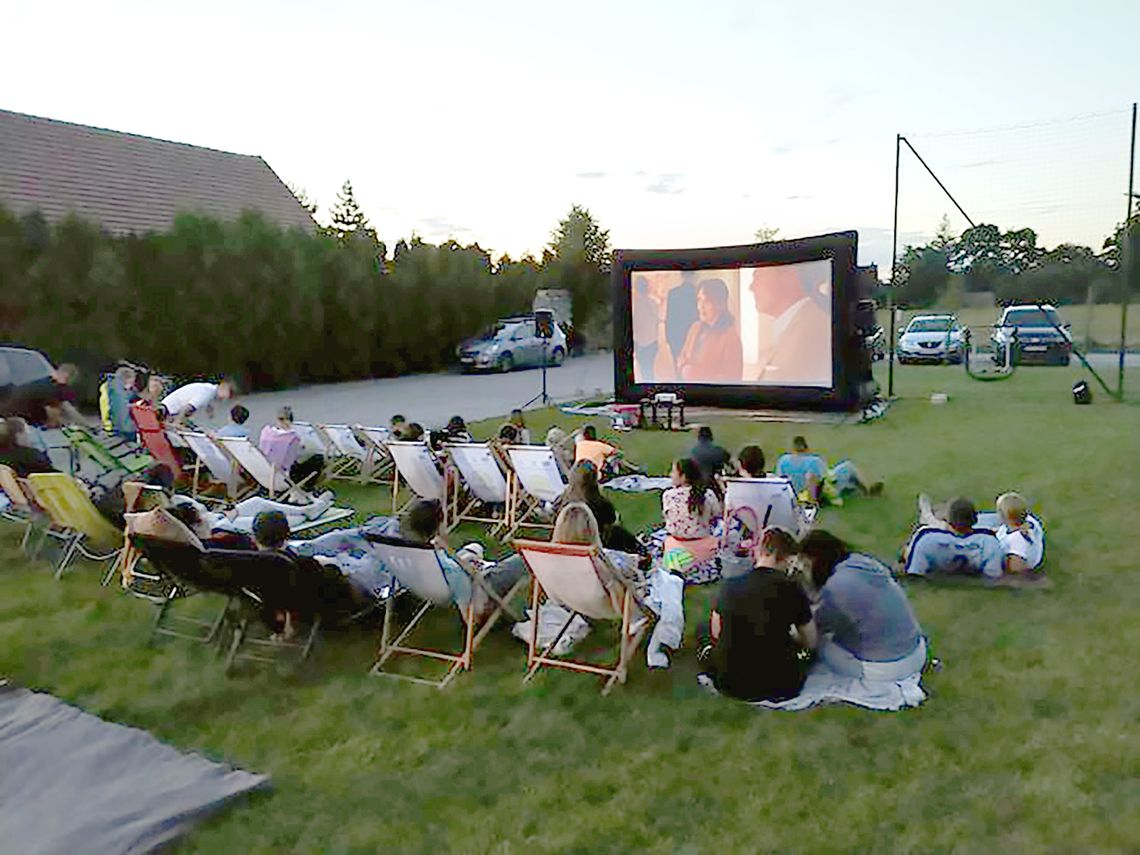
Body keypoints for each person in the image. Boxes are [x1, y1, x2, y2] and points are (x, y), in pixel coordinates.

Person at [700, 528, 816, 702]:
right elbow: (811, 641)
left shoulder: (730, 585)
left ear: (759, 551)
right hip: (782, 685)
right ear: (786, 557)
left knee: (702, 630)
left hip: (729, 683)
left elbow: (716, 633)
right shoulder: (792, 588)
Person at [800, 530, 926, 680]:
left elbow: (814, 628)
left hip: (890, 668)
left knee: (820, 642)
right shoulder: (863, 562)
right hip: (917, 652)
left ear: (815, 560)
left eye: (806, 566)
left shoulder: (837, 587)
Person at [399, 498, 526, 622]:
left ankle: (478, 564)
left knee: (474, 547)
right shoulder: (452, 570)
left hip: (462, 576)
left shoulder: (416, 554)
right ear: (439, 526)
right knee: (523, 559)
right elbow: (472, 615)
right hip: (482, 587)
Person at [747, 263, 832, 385]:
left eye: (758, 276)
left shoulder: (813, 331)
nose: (751, 287)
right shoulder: (798, 324)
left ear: (789, 275)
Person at [902, 496, 1004, 580]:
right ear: (974, 520)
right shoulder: (989, 542)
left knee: (908, 550)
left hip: (939, 554)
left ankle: (928, 515)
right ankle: (928, 516)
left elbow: (914, 572)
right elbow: (994, 575)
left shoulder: (926, 538)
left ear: (948, 520)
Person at [556, 461, 644, 556]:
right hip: (600, 544)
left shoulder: (561, 501)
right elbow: (612, 520)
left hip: (571, 545)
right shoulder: (599, 503)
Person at [661, 457, 723, 584]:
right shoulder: (707, 495)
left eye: (673, 472)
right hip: (705, 552)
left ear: (683, 477)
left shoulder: (668, 496)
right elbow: (717, 515)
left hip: (676, 552)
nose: (670, 475)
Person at [775, 436, 879, 505]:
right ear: (807, 448)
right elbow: (829, 479)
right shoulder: (814, 461)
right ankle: (868, 489)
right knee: (848, 466)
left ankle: (854, 485)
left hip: (792, 497)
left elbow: (780, 479)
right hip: (818, 496)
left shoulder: (783, 460)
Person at [676, 278, 743, 383]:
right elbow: (682, 356)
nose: (700, 307)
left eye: (706, 301)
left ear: (720, 304)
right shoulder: (695, 327)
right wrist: (684, 368)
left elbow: (733, 378)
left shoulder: (730, 337)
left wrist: (697, 374)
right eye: (699, 300)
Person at [259, 405, 324, 487]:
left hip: (265, 472)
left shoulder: (266, 433)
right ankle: (307, 487)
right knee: (317, 458)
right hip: (285, 475)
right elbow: (295, 458)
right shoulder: (292, 437)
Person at [994, 492, 1045, 577]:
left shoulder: (1016, 540)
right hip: (1032, 552)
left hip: (1025, 561)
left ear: (1002, 517)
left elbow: (1016, 567)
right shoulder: (1030, 521)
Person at [18, 363, 85, 427]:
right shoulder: (55, 388)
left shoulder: (43, 381)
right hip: (27, 422)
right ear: (67, 376)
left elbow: (66, 407)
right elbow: (57, 411)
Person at [665, 271, 699, 375]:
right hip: (693, 333)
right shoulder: (698, 292)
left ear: (682, 276)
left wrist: (668, 336)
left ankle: (680, 385)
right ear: (693, 276)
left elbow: (669, 316)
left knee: (678, 364)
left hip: (676, 334)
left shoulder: (673, 293)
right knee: (692, 364)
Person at [161, 378, 236, 424]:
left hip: (171, 407)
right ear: (222, 387)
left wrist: (210, 411)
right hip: (169, 410)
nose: (225, 399)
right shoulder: (208, 393)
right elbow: (187, 408)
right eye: (227, 394)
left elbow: (207, 402)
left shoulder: (210, 389)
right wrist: (177, 423)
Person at [632, 276, 659, 383]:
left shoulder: (634, 304)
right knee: (650, 366)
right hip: (652, 340)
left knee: (644, 368)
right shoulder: (652, 303)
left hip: (640, 342)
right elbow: (657, 321)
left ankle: (647, 386)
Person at [99, 365, 138, 439]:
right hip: (119, 431)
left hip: (109, 427)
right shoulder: (118, 392)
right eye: (133, 381)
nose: (133, 385)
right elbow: (121, 414)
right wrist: (132, 428)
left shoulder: (109, 387)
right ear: (127, 380)